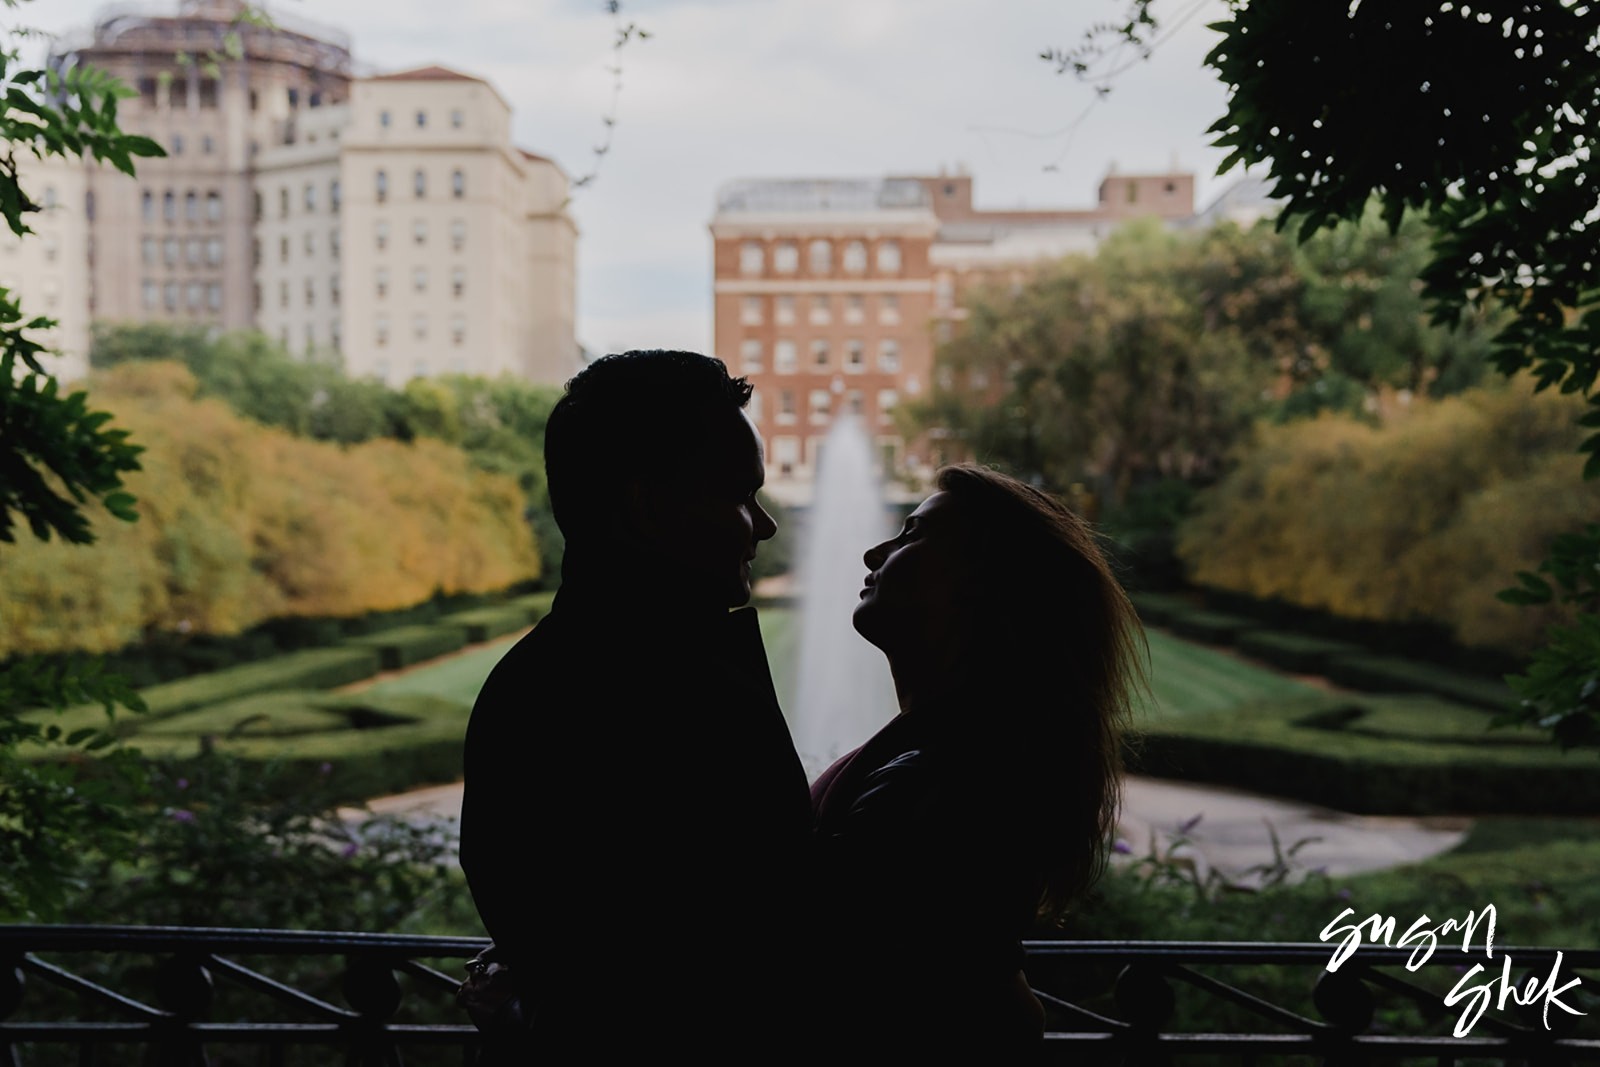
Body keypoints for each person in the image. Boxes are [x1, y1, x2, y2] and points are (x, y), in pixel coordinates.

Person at [459, 350, 814, 1056]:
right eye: (741, 495)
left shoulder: (529, 683)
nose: (764, 526)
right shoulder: (684, 697)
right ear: (648, 505)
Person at [808, 464, 1146, 1055]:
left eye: (912, 535)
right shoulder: (966, 759)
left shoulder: (938, 789)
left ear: (985, 588)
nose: (872, 552)